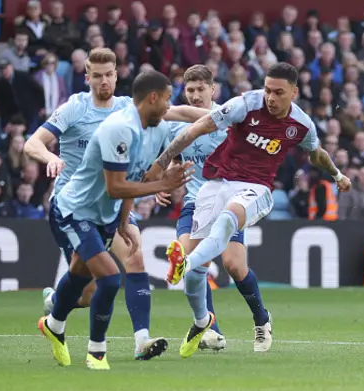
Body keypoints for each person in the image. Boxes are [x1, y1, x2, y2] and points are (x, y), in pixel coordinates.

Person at [146, 62, 352, 357]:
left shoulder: (301, 124)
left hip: (254, 189)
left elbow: (316, 153)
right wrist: (160, 166)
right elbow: (193, 125)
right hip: (214, 187)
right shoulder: (244, 105)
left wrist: (337, 175)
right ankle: (204, 322)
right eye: (267, 90)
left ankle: (258, 317)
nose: (270, 97)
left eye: (278, 92)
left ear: (293, 93)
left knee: (227, 239)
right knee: (202, 270)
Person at [24, 48, 205, 360]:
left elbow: (180, 113)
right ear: (87, 77)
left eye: (108, 74)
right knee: (89, 289)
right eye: (97, 76)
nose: (103, 81)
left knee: (135, 260)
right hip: (76, 205)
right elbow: (32, 143)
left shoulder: (127, 108)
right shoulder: (75, 108)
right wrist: (51, 156)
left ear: (117, 75)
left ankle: (142, 341)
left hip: (114, 202)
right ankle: (56, 307)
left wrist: (228, 117)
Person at [157, 65, 228, 351]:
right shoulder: (175, 126)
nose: (196, 95)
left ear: (213, 90)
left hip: (228, 204)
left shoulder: (228, 117)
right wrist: (163, 183)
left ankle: (261, 319)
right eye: (190, 90)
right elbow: (174, 159)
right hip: (194, 203)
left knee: (235, 267)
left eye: (201, 90)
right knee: (189, 261)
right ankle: (210, 328)